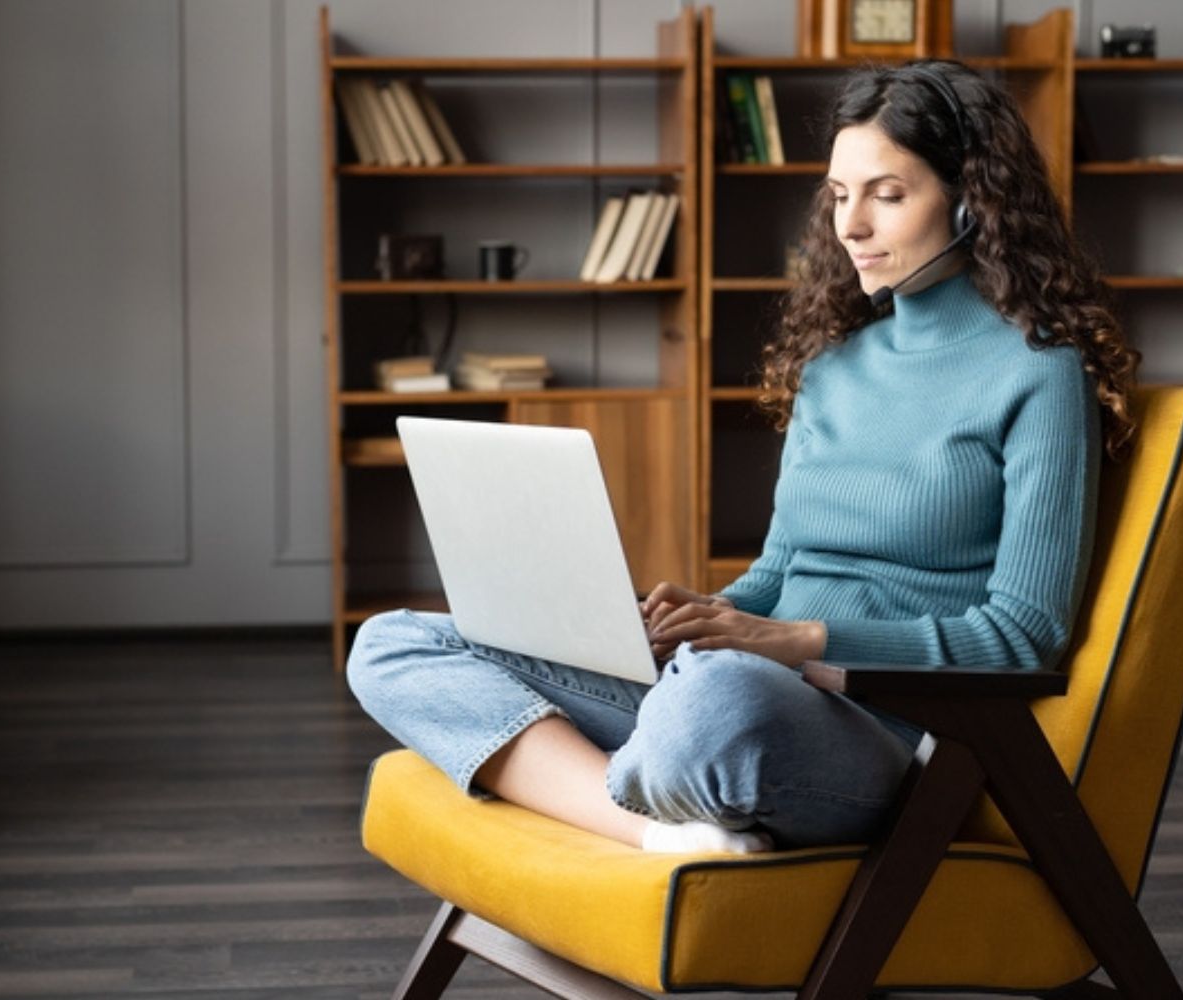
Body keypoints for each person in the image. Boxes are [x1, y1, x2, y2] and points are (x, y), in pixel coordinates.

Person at [346, 60, 1140, 854]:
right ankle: (643, 825)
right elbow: (781, 568)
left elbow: (1023, 636)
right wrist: (694, 620)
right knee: (394, 642)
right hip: (757, 681)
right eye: (839, 195)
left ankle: (627, 775)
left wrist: (797, 641)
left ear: (975, 201)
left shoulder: (1038, 374)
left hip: (884, 724)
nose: (850, 226)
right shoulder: (834, 369)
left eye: (887, 195)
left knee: (718, 702)